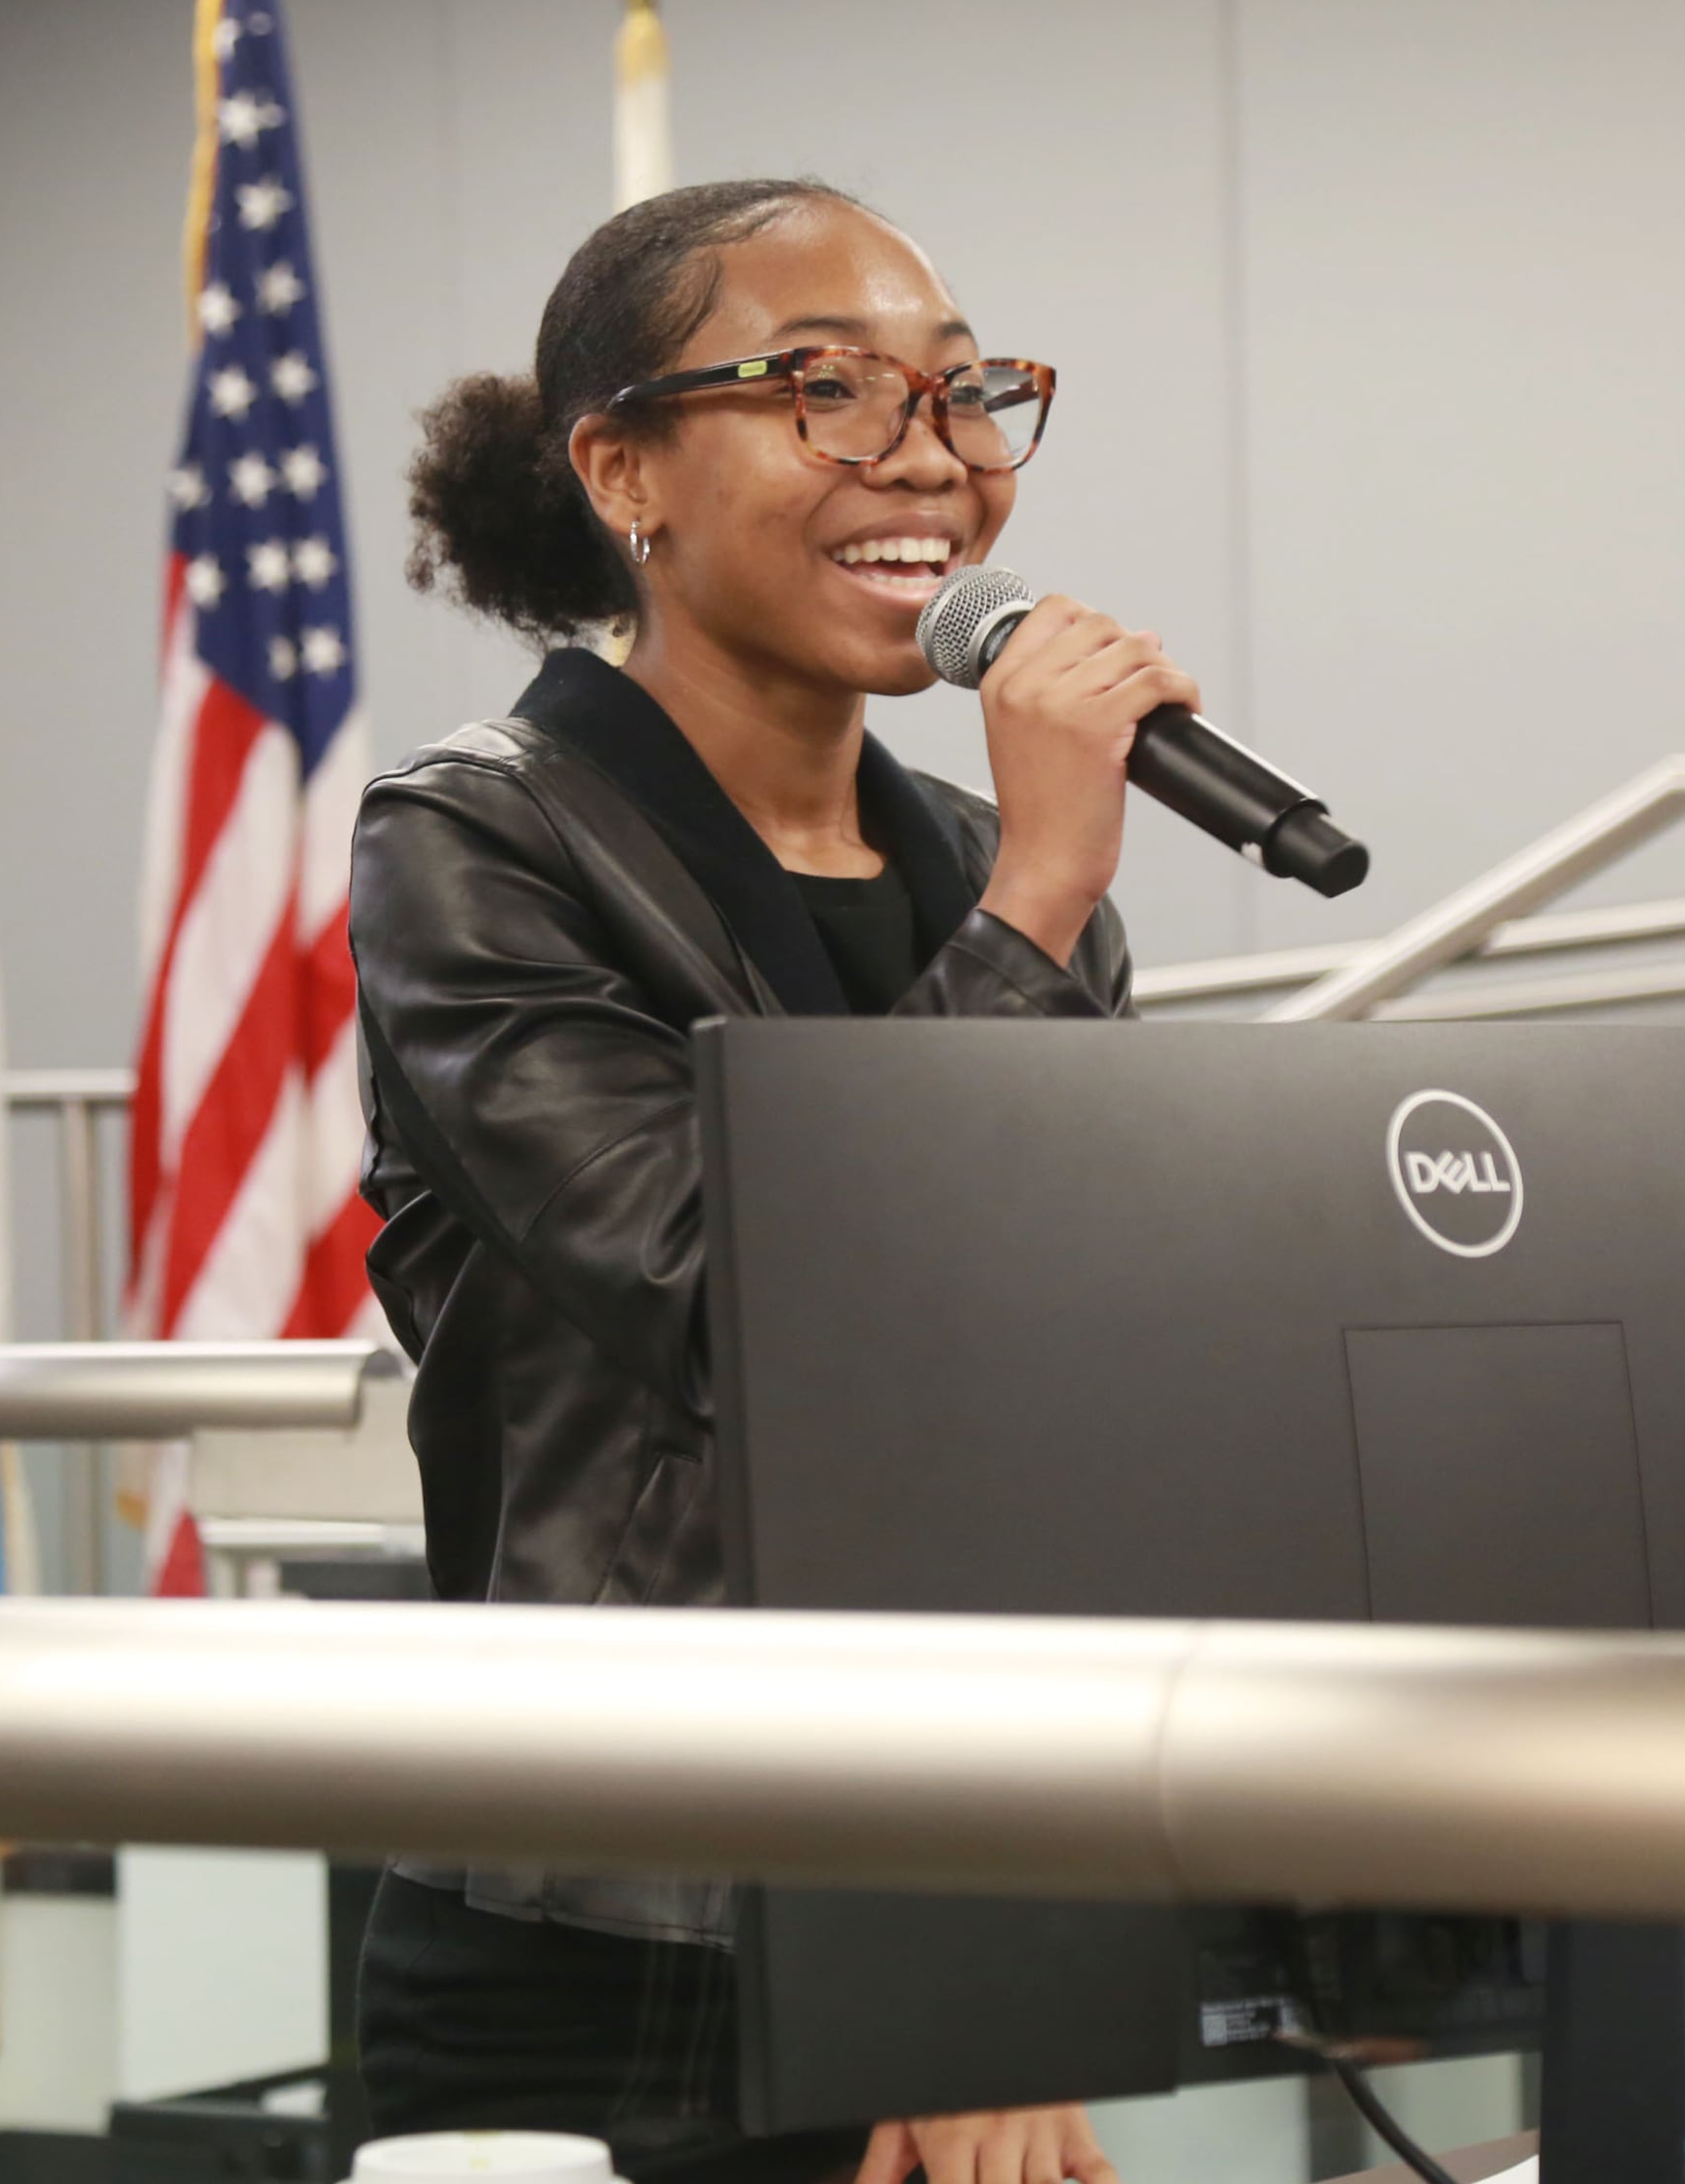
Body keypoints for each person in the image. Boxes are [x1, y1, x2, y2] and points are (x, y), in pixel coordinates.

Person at [346, 177, 1164, 2184]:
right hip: (614, 1924)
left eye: (964, 396)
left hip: (959, 1858)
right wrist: (1047, 903)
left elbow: (1052, 1421)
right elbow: (750, 1304)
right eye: (828, 390)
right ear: (621, 466)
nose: (933, 460)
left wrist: (1003, 1946)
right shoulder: (479, 846)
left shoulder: (985, 866)